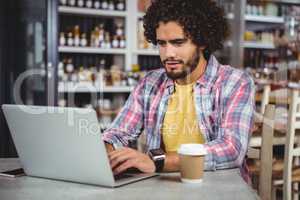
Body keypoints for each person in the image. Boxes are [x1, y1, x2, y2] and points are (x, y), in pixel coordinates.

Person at [102, 0, 255, 182]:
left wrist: (158, 161)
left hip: (220, 186)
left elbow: (232, 149)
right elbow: (118, 133)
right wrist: (105, 151)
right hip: (162, 187)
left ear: (203, 41)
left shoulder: (235, 82)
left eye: (178, 42)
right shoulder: (149, 84)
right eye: (162, 44)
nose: (168, 54)